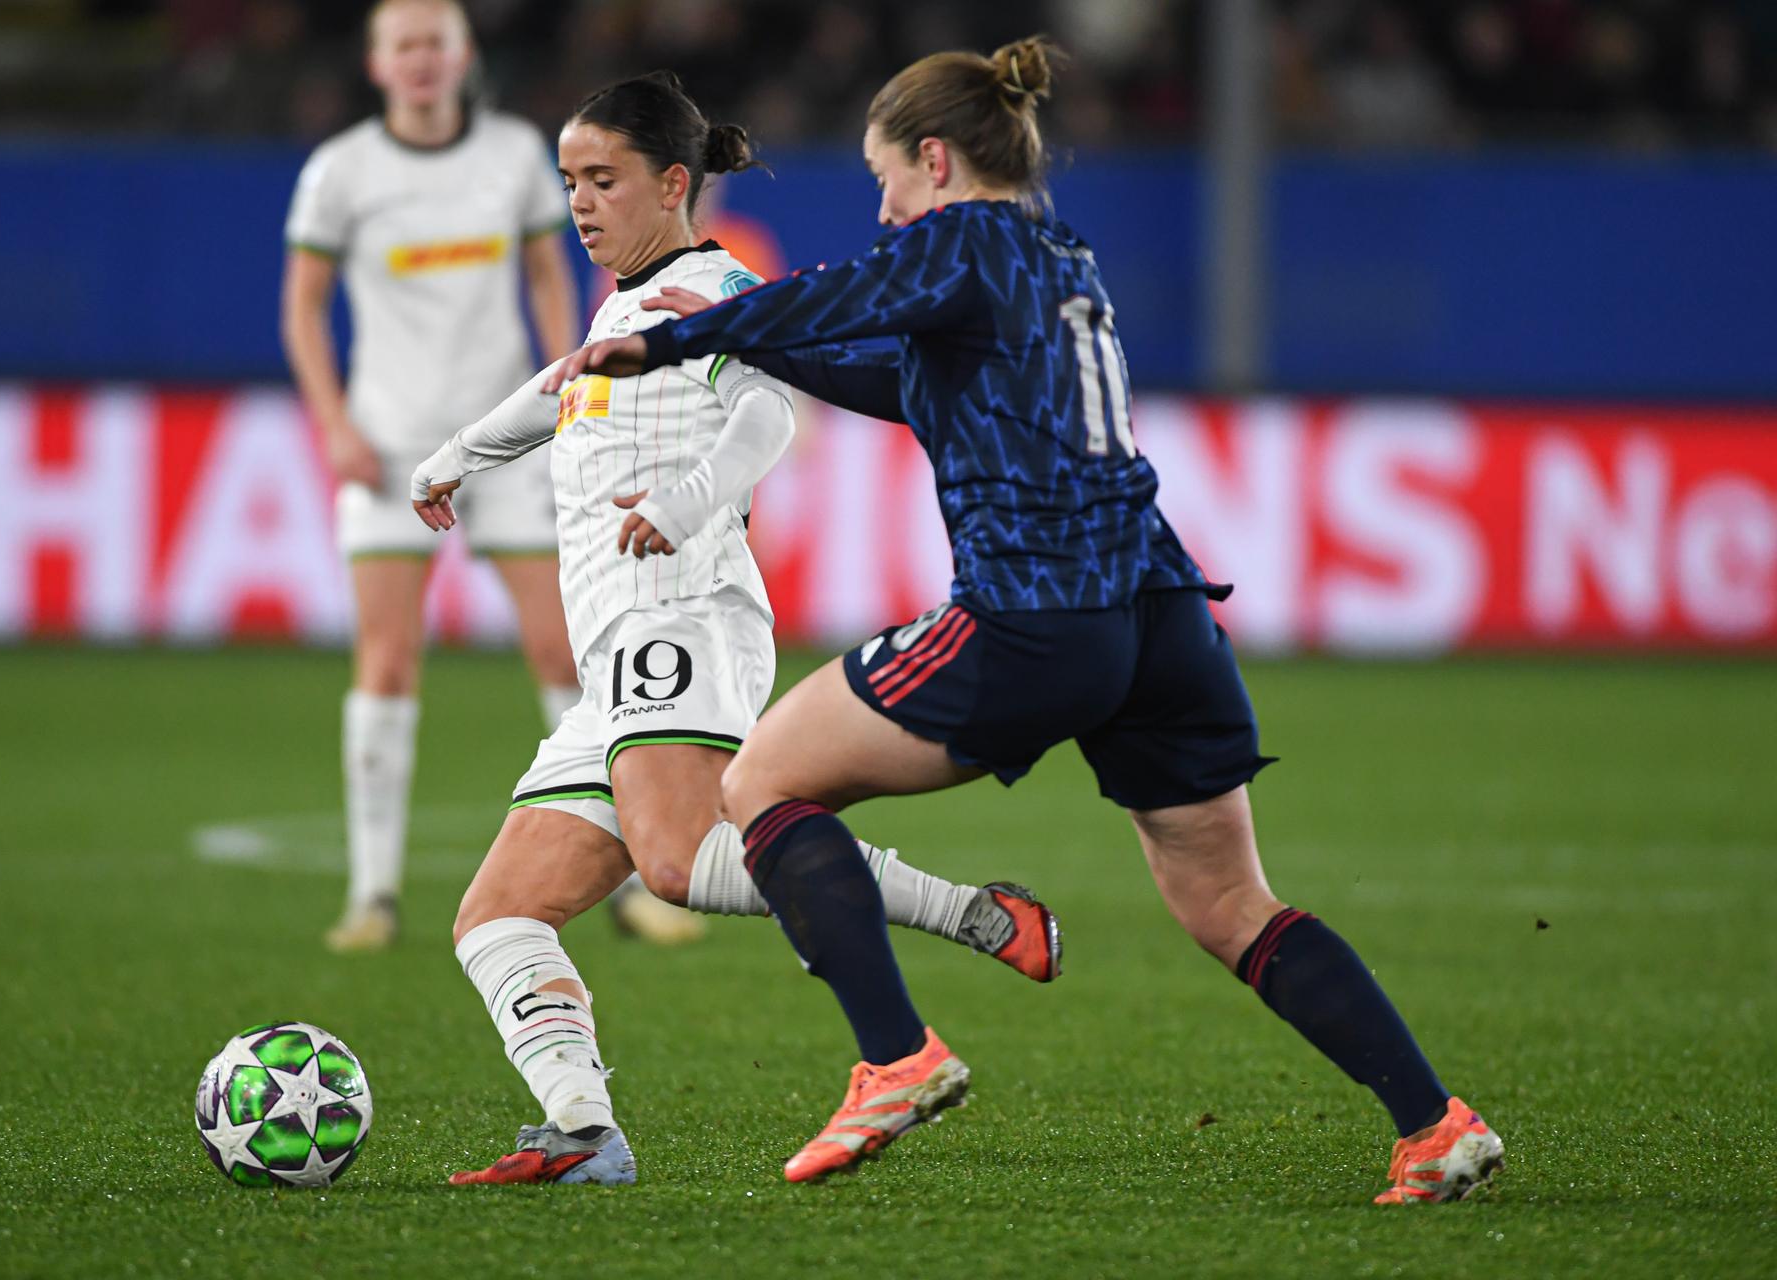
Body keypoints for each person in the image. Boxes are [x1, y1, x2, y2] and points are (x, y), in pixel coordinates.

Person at [544, 36, 1504, 1203]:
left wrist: (666, 332)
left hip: (1040, 612)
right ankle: (1433, 1121)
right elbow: (908, 382)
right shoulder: (1060, 254)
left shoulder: (966, 237)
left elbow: (830, 296)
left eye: (887, 176)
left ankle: (895, 1057)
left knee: (763, 783)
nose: (885, 205)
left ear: (937, 161)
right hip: (1163, 617)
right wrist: (739, 349)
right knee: (1226, 903)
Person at [408, 70, 1062, 1188]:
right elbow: (560, 384)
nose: (581, 202)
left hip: (686, 615)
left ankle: (969, 913)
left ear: (674, 183)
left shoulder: (717, 287)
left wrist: (688, 499)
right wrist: (463, 453)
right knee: (498, 914)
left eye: (603, 179)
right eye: (569, 181)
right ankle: (581, 1129)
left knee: (673, 862)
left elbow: (769, 410)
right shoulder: (624, 304)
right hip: (616, 656)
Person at [282, 0, 691, 951]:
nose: (422, 60)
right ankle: (372, 895)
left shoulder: (515, 156)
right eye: (403, 45)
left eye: (436, 43)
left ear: (463, 56)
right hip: (387, 442)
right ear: (378, 63)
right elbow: (301, 310)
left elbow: (552, 276)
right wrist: (335, 423)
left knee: (565, 654)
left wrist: (567, 386)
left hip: (504, 440)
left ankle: (626, 883)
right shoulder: (341, 171)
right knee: (386, 660)